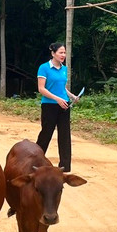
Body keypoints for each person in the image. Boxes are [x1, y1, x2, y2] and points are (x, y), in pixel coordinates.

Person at [36, 42, 79, 172]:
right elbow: (41, 89)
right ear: (53, 53)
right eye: (60, 52)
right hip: (49, 105)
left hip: (64, 105)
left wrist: (72, 96)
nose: (63, 55)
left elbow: (62, 88)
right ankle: (36, 160)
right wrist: (56, 99)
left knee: (65, 135)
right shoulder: (44, 68)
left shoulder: (64, 69)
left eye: (64, 53)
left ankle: (65, 166)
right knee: (46, 133)